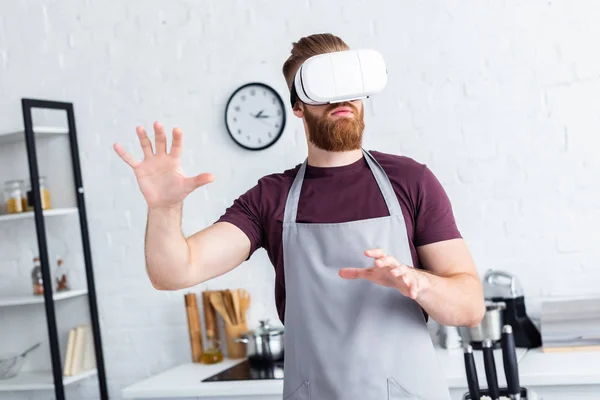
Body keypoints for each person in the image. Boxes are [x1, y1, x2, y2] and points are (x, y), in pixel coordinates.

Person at [114, 33, 485, 400]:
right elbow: (174, 273)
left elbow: (470, 308)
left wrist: (416, 283)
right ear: (297, 106)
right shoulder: (270, 198)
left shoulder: (411, 181)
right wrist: (163, 209)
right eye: (323, 87)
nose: (340, 98)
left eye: (348, 83)